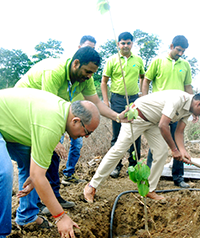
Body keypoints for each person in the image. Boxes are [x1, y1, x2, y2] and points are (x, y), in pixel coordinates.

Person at [14, 47, 128, 217]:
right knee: (32, 159)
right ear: (76, 63)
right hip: (23, 110)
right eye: (87, 71)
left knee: (50, 157)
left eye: (92, 73)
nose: (89, 76)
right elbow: (46, 108)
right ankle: (32, 208)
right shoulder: (54, 72)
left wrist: (117, 117)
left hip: (46, 115)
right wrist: (55, 142)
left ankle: (51, 198)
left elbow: (96, 102)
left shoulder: (85, 79)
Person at [0, 88, 106, 238]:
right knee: (4, 173)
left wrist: (35, 178)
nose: (86, 137)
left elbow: (38, 169)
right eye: (87, 132)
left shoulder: (62, 112)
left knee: (31, 166)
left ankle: (27, 217)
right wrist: (60, 216)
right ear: (76, 121)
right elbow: (38, 175)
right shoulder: (52, 124)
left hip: (10, 125)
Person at [84, 89, 200, 203]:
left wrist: (182, 151)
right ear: (198, 104)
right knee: (119, 150)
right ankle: (92, 186)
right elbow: (163, 126)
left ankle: (149, 189)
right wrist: (174, 150)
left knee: (161, 151)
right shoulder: (178, 99)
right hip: (137, 116)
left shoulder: (189, 110)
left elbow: (179, 132)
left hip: (153, 121)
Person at [142, 35, 193, 188]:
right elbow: (146, 80)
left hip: (178, 111)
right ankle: (149, 178)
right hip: (160, 111)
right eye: (178, 50)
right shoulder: (158, 61)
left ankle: (178, 178)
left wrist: (193, 108)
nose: (180, 54)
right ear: (171, 46)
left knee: (177, 143)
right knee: (156, 145)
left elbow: (188, 87)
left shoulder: (185, 65)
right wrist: (144, 100)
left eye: (183, 51)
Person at [101, 32, 145, 178]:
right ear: (118, 44)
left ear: (132, 44)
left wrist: (143, 95)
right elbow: (104, 81)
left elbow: (143, 77)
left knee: (135, 133)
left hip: (134, 100)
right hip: (117, 100)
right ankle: (116, 165)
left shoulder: (138, 60)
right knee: (118, 132)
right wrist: (106, 101)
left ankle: (134, 165)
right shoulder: (112, 60)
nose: (125, 45)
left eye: (128, 43)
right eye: (123, 43)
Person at [61, 35, 97, 185]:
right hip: (59, 115)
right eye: (87, 47)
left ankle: (68, 174)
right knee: (55, 147)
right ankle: (50, 186)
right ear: (78, 48)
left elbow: (96, 101)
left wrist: (116, 116)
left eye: (93, 49)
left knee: (77, 144)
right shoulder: (69, 69)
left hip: (78, 116)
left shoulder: (87, 75)